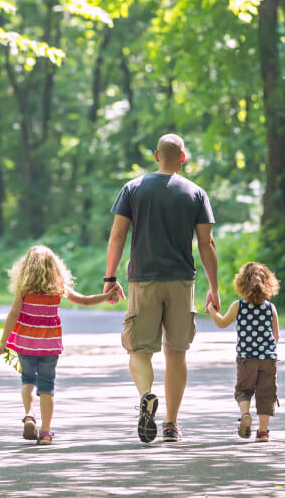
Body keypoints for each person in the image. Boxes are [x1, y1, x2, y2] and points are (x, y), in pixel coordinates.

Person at [103, 133, 219, 443]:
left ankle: (146, 395)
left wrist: (110, 278)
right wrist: (214, 287)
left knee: (139, 350)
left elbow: (117, 237)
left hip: (144, 280)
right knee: (176, 352)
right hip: (182, 282)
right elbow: (206, 244)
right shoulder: (196, 193)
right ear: (183, 158)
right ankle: (170, 424)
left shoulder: (133, 188)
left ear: (157, 155)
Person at [0, 245, 118, 445]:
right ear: (55, 267)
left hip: (26, 343)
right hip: (49, 346)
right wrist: (106, 295)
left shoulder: (24, 289)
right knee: (47, 386)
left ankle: (29, 415)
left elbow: (14, 314)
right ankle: (45, 432)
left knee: (28, 379)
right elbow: (84, 301)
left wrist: (3, 342)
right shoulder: (58, 288)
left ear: (27, 267)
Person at [205, 262, 280, 442]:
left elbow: (222, 323)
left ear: (241, 283)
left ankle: (245, 414)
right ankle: (263, 432)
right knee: (266, 394)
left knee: (244, 391)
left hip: (246, 358)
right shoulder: (270, 308)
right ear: (268, 283)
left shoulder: (239, 306)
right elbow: (276, 335)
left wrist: (211, 311)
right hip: (268, 359)